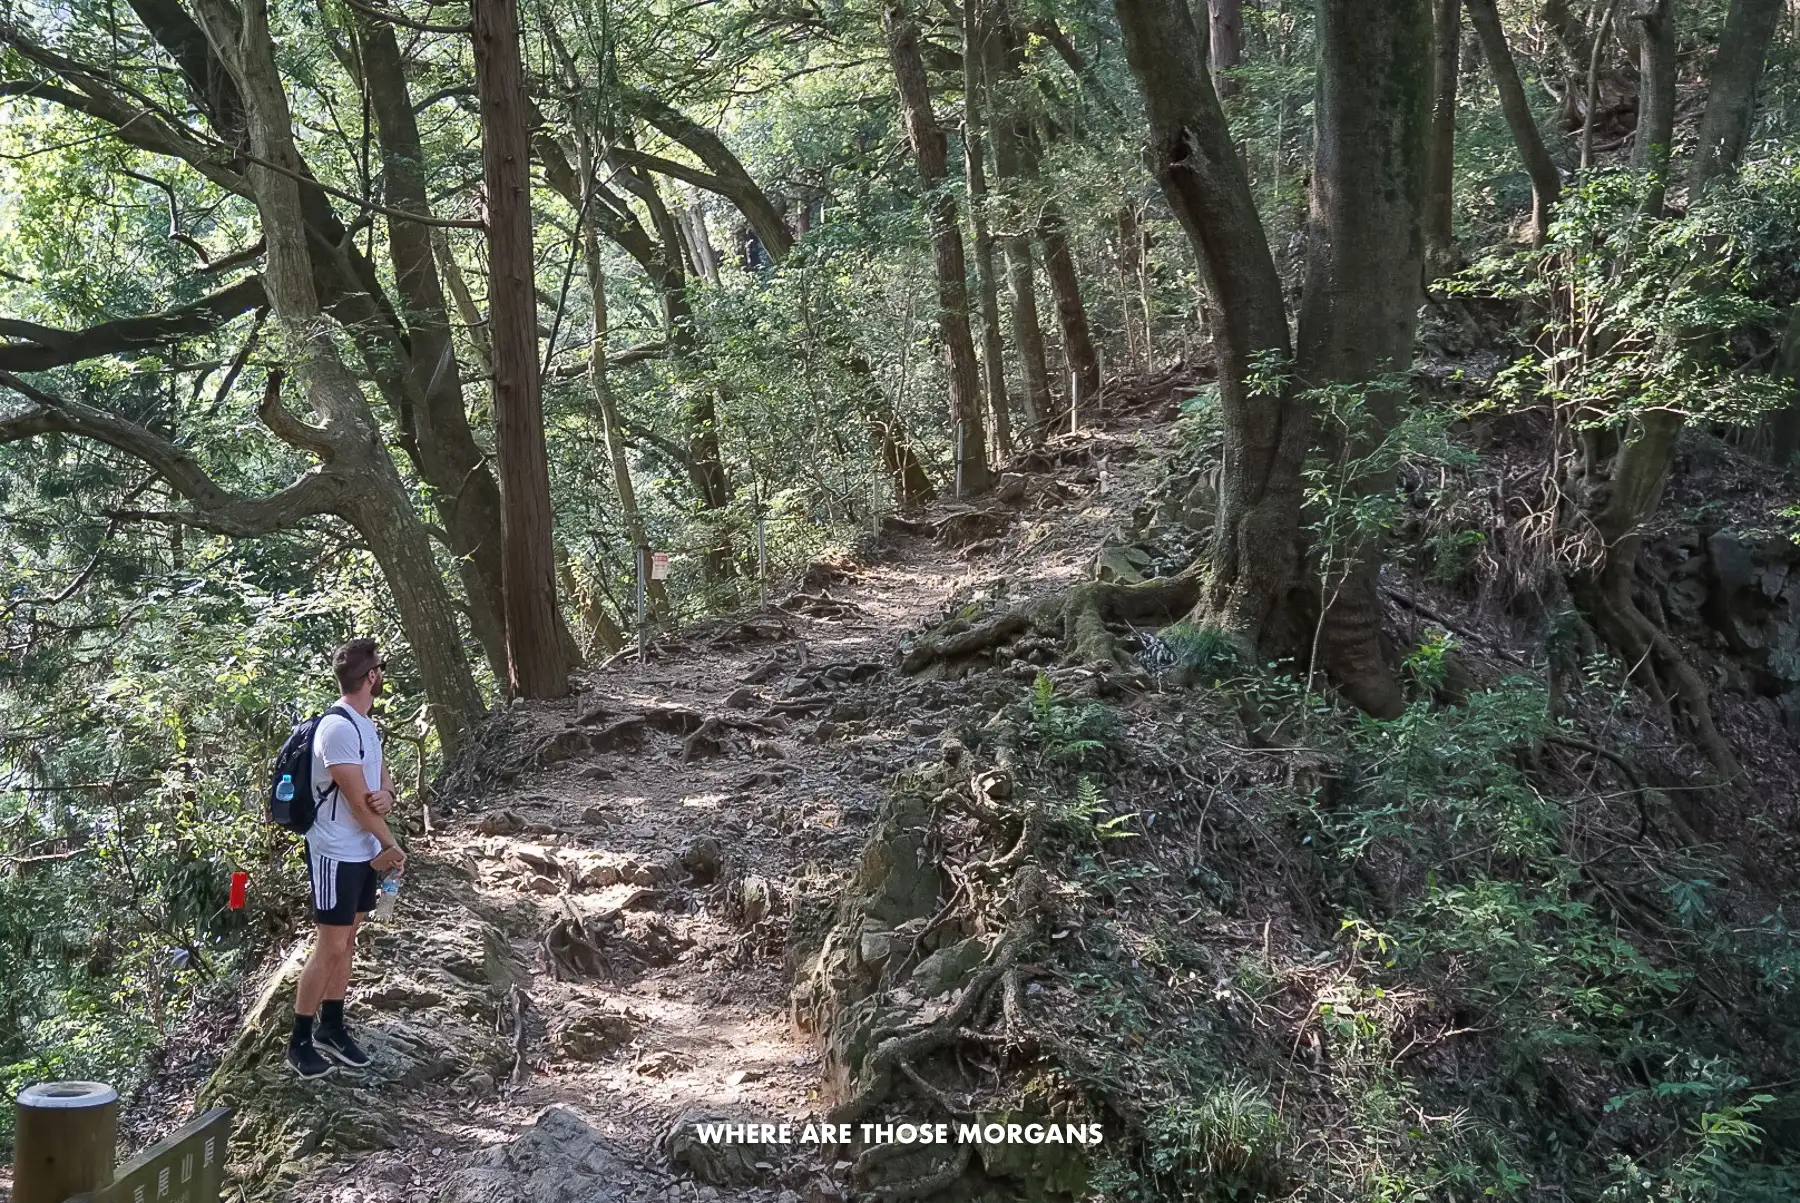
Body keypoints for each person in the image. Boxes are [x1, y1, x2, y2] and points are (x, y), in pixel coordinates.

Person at [287, 638, 406, 1079]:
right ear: (371, 676)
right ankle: (299, 1038)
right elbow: (358, 803)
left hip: (362, 851)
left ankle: (332, 1026)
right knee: (331, 943)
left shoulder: (364, 724)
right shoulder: (336, 729)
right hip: (336, 850)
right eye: (381, 667)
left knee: (349, 938)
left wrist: (389, 796)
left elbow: (377, 782)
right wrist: (392, 845)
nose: (382, 674)